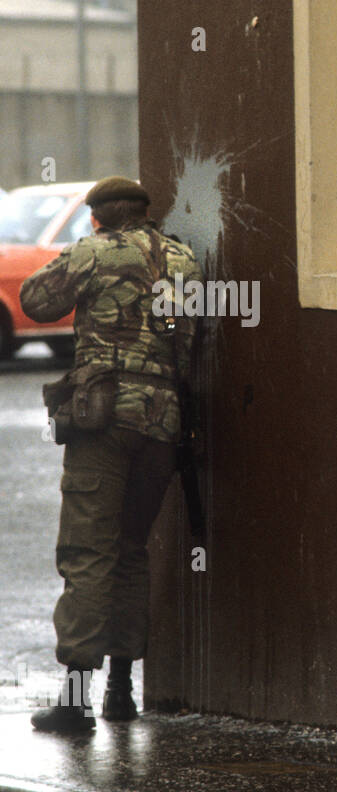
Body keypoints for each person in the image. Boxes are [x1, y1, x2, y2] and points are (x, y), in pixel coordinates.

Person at [21, 176, 202, 733]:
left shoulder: (93, 252)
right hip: (162, 424)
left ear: (98, 218)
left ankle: (76, 702)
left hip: (103, 420)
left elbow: (35, 301)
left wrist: (78, 256)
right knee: (130, 550)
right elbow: (185, 336)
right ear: (146, 214)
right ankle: (121, 691)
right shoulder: (184, 261)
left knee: (87, 552)